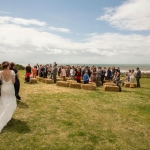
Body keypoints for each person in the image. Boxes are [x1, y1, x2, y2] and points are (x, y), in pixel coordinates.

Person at [0, 61, 17, 133]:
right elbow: (13, 81)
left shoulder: (0, 72)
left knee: (3, 100)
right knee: (10, 100)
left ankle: (4, 114)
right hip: (10, 87)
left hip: (3, 87)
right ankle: (5, 116)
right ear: (8, 66)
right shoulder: (12, 72)